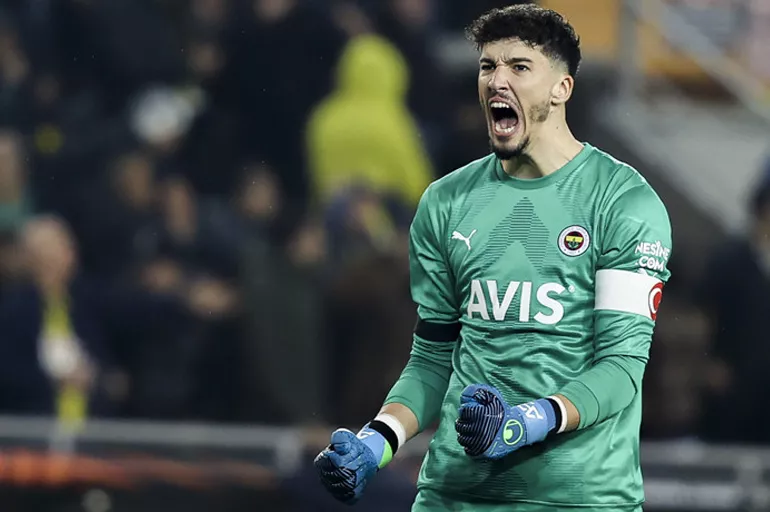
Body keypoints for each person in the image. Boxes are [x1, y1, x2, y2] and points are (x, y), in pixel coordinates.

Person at [314, 5, 672, 512]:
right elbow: (432, 359)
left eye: (519, 67)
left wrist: (525, 422)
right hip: (453, 496)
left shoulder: (623, 201)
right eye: (488, 66)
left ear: (562, 88)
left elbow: (620, 368)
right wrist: (376, 442)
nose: (496, 81)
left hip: (575, 500)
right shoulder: (446, 203)